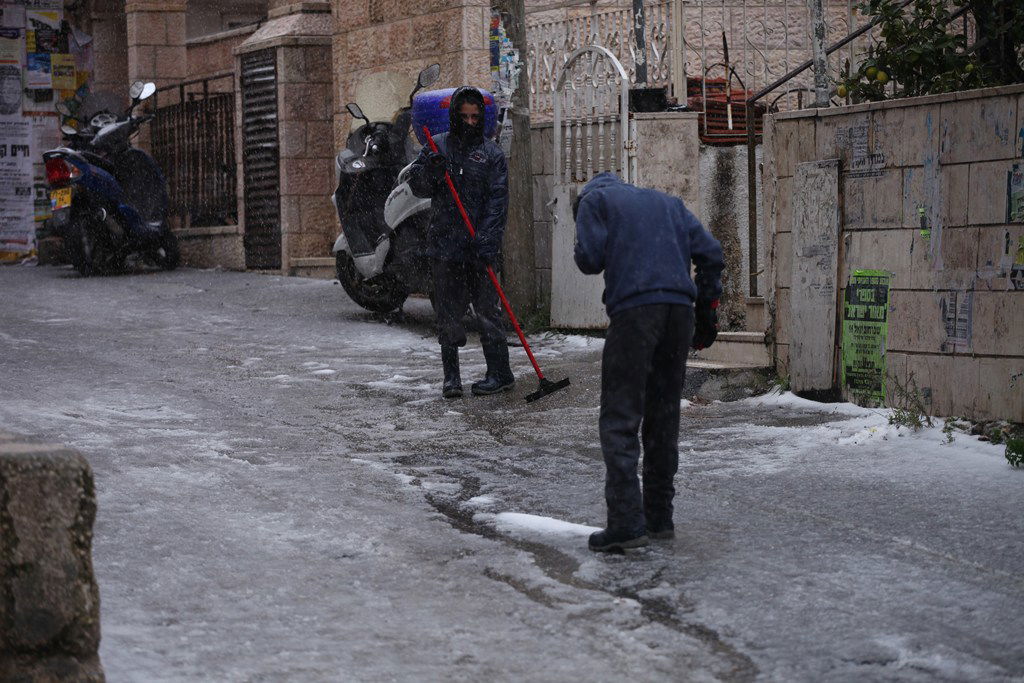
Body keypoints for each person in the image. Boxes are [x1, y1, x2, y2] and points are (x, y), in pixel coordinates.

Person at [573, 172, 724, 553]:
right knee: (663, 416)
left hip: (635, 312)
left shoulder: (593, 201)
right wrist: (706, 310)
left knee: (620, 418)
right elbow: (711, 253)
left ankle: (626, 523)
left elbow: (589, 260)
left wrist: (589, 236)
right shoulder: (668, 203)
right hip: (678, 313)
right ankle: (659, 518)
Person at [407, 86, 512, 399]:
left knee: (488, 312)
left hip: (479, 247)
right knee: (448, 313)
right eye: (464, 116)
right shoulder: (437, 146)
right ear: (454, 116)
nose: (469, 122)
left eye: (475, 117)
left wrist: (487, 240)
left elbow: (497, 202)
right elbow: (417, 186)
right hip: (446, 245)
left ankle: (500, 373)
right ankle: (451, 377)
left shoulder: (492, 155)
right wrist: (431, 172)